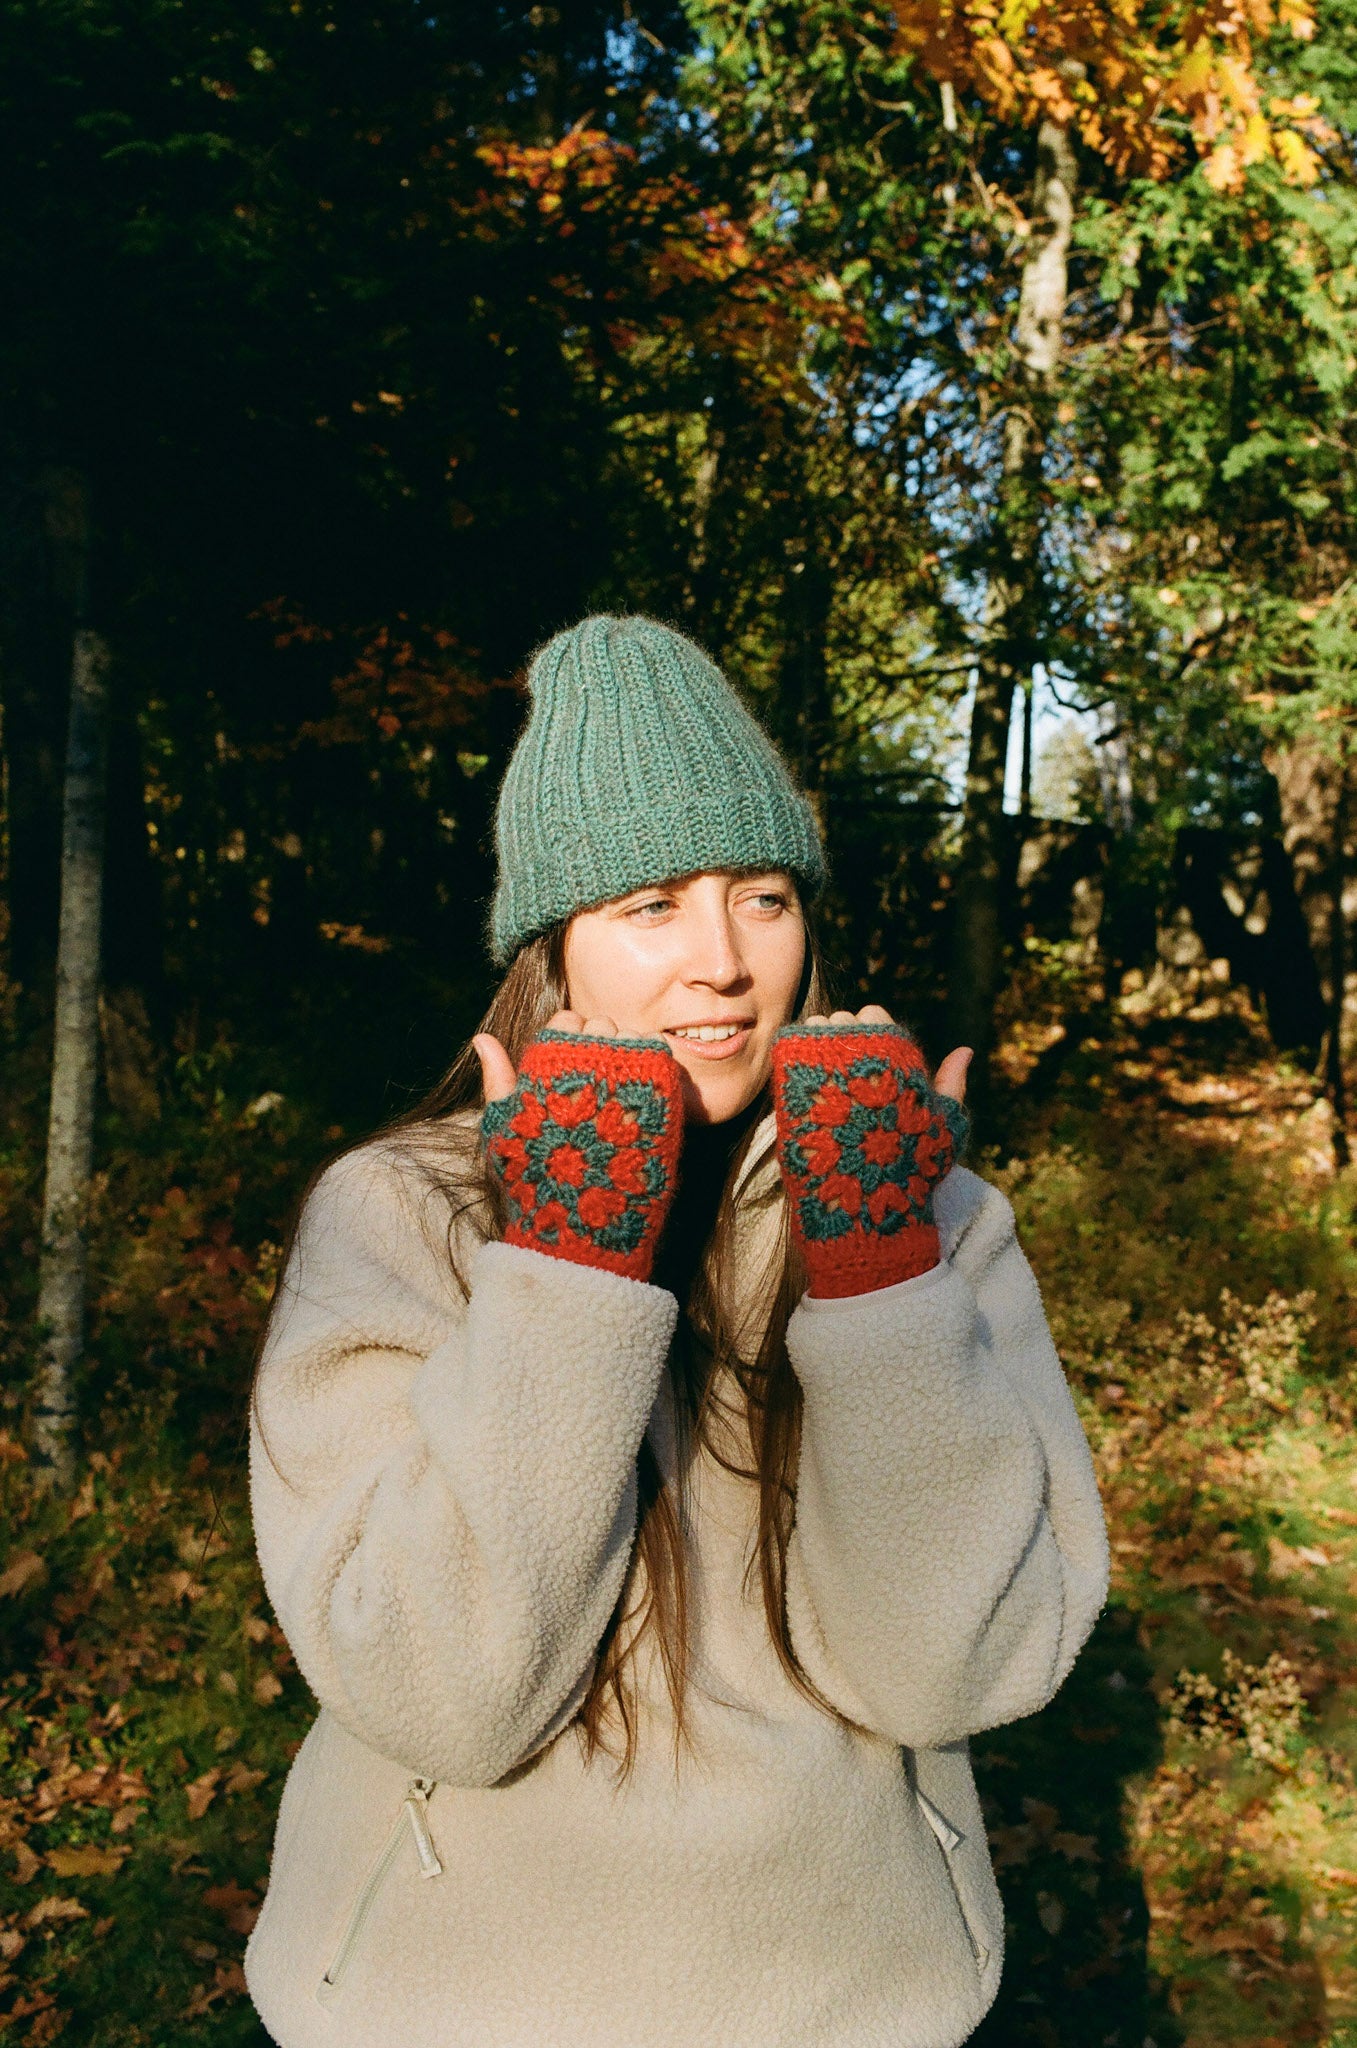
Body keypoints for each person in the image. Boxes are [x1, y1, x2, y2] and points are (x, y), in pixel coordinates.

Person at [244, 615, 1109, 2048]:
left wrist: (880, 1273)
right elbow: (445, 1696)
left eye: (760, 894)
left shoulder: (924, 1210)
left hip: (848, 1997)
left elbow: (953, 1673)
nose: (720, 958)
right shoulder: (404, 1214)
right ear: (553, 951)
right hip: (451, 2004)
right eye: (649, 903)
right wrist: (566, 1262)